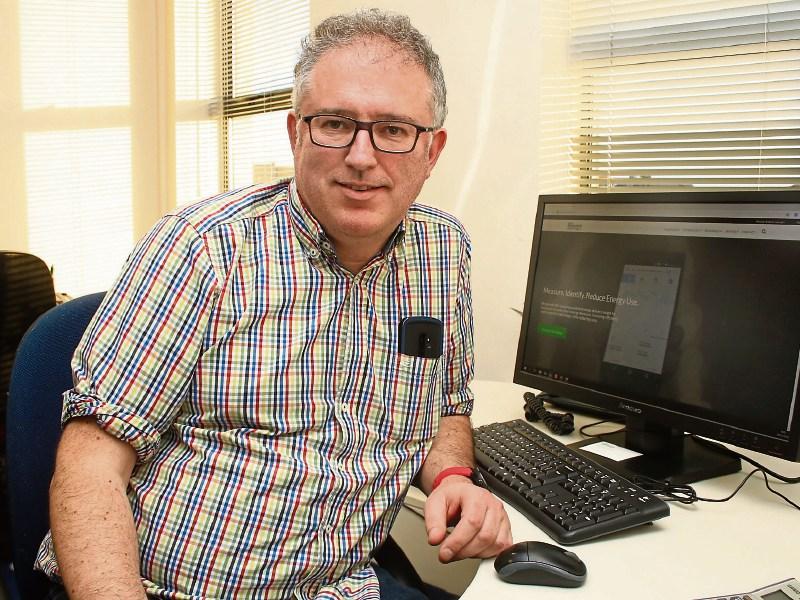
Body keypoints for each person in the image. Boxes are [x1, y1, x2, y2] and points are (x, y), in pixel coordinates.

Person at [36, 8, 512, 599]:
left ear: (432, 151)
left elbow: (446, 406)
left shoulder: (444, 250)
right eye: (335, 123)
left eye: (393, 130)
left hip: (344, 584)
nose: (362, 157)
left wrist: (453, 477)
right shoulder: (203, 248)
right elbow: (90, 466)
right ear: (295, 133)